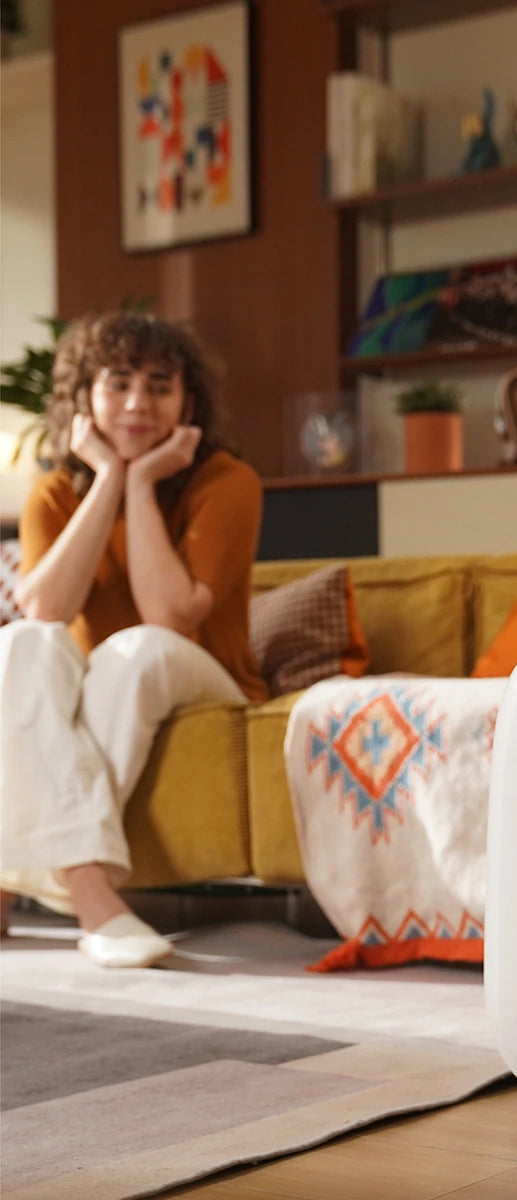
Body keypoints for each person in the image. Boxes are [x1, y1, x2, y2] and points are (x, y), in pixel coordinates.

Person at [0, 310, 267, 967]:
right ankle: (97, 903)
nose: (137, 403)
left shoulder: (227, 481)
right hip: (103, 684)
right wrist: (108, 482)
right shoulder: (55, 492)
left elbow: (171, 617)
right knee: (20, 645)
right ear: (84, 400)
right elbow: (45, 610)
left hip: (207, 679)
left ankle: (20, 881)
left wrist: (142, 484)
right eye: (117, 383)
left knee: (137, 649)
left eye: (159, 386)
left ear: (189, 401)